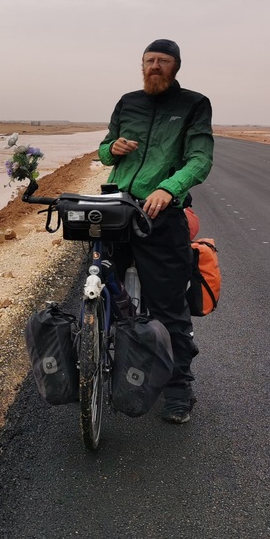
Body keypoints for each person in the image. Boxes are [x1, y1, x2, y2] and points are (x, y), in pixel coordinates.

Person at [98, 39, 214, 424]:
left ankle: (179, 390)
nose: (155, 66)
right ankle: (110, 364)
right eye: (149, 60)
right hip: (117, 208)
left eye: (163, 61)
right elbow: (101, 150)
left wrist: (170, 187)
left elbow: (200, 159)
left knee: (169, 308)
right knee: (102, 291)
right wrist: (112, 148)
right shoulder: (127, 102)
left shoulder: (194, 105)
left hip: (161, 217)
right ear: (141, 65)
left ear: (176, 66)